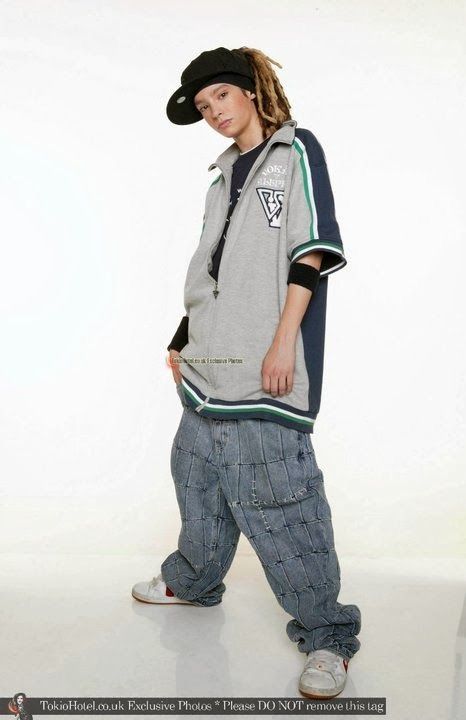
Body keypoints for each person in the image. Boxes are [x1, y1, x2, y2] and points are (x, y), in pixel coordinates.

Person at [132, 46, 361, 699]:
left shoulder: (295, 153)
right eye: (203, 108)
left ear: (251, 92)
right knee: (196, 478)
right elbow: (213, 270)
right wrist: (182, 341)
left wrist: (285, 342)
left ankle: (327, 636)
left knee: (280, 500)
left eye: (220, 98)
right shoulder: (219, 177)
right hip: (208, 364)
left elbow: (310, 249)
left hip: (265, 367)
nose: (213, 113)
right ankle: (195, 579)